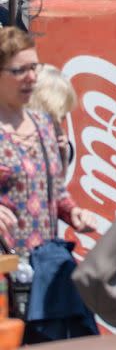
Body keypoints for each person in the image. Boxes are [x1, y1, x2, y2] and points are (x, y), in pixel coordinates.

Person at [0, 28, 95, 256]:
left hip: (42, 267)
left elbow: (56, 192)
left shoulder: (43, 124)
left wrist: (73, 212)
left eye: (34, 67)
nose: (31, 77)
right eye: (19, 70)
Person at [29, 66, 77, 175]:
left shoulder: (60, 145)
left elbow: (57, 185)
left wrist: (62, 155)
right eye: (53, 118)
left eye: (62, 117)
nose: (58, 125)